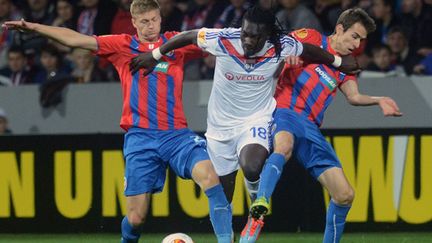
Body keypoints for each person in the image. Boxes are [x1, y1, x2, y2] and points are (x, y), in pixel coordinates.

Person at [2, 1, 233, 243]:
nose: (150, 25)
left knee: (210, 177)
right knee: (135, 218)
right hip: (141, 139)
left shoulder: (175, 43)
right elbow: (76, 39)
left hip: (177, 136)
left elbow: (216, 39)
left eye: (154, 19)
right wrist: (35, 27)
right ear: (133, 22)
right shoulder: (122, 45)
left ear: (160, 18)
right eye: (144, 21)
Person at [129, 5, 360, 210]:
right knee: (223, 199)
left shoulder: (281, 45)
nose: (247, 40)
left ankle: (255, 192)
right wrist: (155, 54)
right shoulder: (224, 39)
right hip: (220, 126)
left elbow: (309, 50)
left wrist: (338, 62)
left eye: (254, 37)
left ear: (268, 36)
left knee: (251, 166)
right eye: (245, 33)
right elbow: (188, 36)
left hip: (255, 119)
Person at [240, 8, 402, 243]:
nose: (356, 45)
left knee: (344, 195)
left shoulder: (344, 67)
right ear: (339, 29)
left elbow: (354, 97)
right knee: (283, 147)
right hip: (284, 111)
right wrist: (288, 56)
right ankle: (259, 209)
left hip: (310, 128)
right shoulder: (312, 38)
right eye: (354, 36)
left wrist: (379, 101)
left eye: (361, 40)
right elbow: (280, 48)